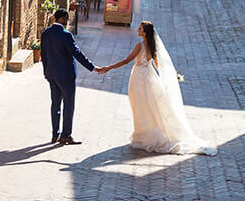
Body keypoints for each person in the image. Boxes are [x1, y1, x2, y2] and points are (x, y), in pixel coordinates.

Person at [97, 21, 216, 155]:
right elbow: (157, 64)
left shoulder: (139, 46)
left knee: (140, 106)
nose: (137, 30)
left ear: (145, 32)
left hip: (139, 78)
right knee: (150, 105)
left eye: (140, 29)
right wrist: (171, 76)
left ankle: (145, 135)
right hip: (149, 76)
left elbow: (126, 61)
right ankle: (148, 133)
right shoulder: (153, 46)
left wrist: (108, 68)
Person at [41, 8, 106, 145]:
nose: (68, 20)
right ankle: (66, 135)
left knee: (55, 104)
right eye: (66, 18)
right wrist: (93, 67)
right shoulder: (66, 35)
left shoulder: (45, 33)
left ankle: (55, 134)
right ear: (62, 19)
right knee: (68, 105)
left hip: (52, 74)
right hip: (66, 76)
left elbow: (44, 55)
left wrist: (46, 73)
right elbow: (77, 53)